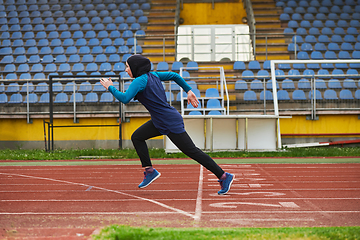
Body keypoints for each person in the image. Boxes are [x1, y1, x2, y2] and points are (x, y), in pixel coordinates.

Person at [100, 54, 234, 195]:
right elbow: (174, 76)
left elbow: (125, 98)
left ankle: (224, 176)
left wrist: (110, 88)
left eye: (127, 66)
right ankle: (149, 170)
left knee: (192, 151)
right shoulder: (154, 75)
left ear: (135, 67)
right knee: (137, 137)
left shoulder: (139, 81)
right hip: (160, 120)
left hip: (168, 121)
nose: (126, 70)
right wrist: (188, 90)